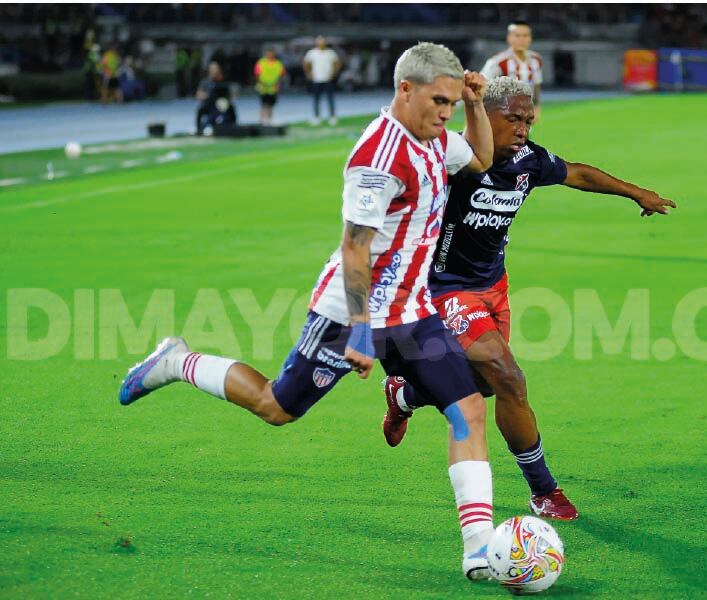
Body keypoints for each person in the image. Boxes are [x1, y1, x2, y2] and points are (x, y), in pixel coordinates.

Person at [119, 42, 497, 581]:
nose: (446, 113)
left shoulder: (436, 137)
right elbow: (355, 248)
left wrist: (477, 107)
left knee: (468, 409)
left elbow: (480, 158)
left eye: (453, 104)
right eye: (440, 101)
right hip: (349, 312)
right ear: (404, 90)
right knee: (278, 407)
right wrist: (362, 332)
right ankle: (176, 361)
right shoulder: (378, 158)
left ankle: (479, 548)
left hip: (413, 312)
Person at [381, 76, 677, 520]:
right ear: (485, 115)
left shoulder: (528, 160)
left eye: (529, 120)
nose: (523, 128)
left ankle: (406, 396)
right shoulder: (452, 160)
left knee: (483, 383)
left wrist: (635, 192)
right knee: (509, 377)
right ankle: (544, 490)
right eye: (513, 119)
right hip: (445, 289)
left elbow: (574, 172)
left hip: (494, 287)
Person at [481, 22, 544, 123]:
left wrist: (536, 106)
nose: (521, 39)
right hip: (503, 114)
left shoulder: (536, 60)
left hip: (524, 113)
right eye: (517, 35)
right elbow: (481, 84)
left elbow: (536, 85)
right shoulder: (498, 62)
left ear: (530, 38)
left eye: (525, 36)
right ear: (509, 38)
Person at [303, 36, 341, 126]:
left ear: (325, 43)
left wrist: (334, 73)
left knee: (330, 99)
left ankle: (332, 117)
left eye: (322, 42)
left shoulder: (330, 52)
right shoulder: (312, 53)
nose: (321, 43)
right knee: (316, 99)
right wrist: (308, 73)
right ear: (316, 43)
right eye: (319, 42)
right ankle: (316, 117)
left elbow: (337, 63)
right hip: (317, 79)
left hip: (328, 79)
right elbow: (305, 63)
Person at [195, 61, 237, 134]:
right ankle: (199, 129)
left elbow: (230, 94)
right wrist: (206, 95)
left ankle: (232, 127)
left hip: (221, 104)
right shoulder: (205, 82)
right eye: (213, 69)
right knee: (200, 110)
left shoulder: (223, 81)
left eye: (216, 69)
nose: (215, 70)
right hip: (209, 104)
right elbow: (198, 94)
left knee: (230, 107)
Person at [254, 48, 286, 125]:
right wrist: (259, 83)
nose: (270, 55)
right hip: (263, 87)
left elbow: (281, 75)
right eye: (268, 53)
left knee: (271, 105)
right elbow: (257, 74)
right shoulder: (261, 62)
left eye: (271, 53)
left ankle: (270, 120)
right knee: (263, 104)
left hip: (273, 87)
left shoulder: (278, 63)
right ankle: (262, 120)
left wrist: (278, 84)